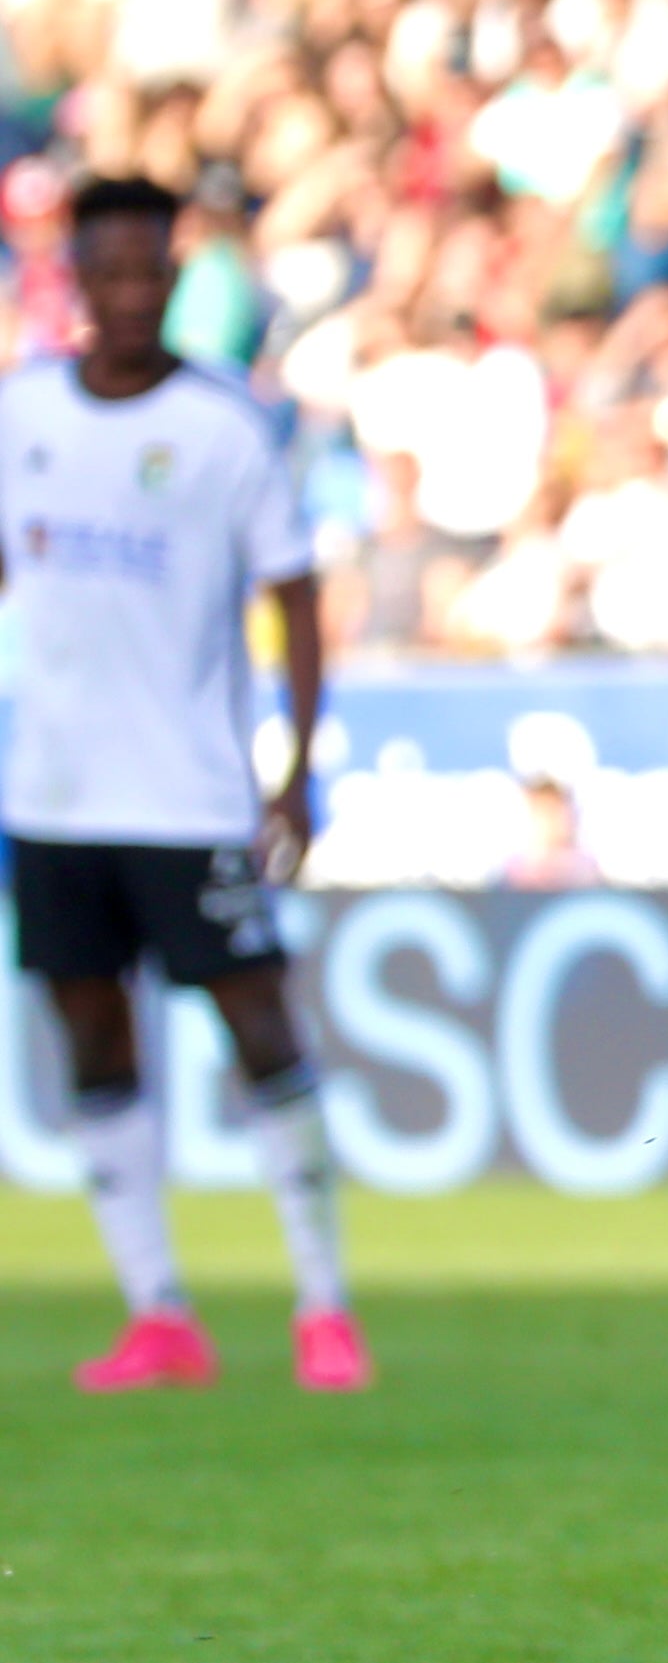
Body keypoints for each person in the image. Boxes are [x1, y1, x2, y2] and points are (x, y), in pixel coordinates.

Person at [1, 178, 362, 1395]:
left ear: (172, 274)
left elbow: (296, 593)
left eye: (147, 271)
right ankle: (158, 1310)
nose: (126, 294)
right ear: (73, 279)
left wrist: (297, 766)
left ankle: (324, 1305)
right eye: (103, 272)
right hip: (52, 798)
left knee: (259, 1026)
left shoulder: (222, 427)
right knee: (92, 1034)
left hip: (189, 795)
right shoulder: (23, 416)